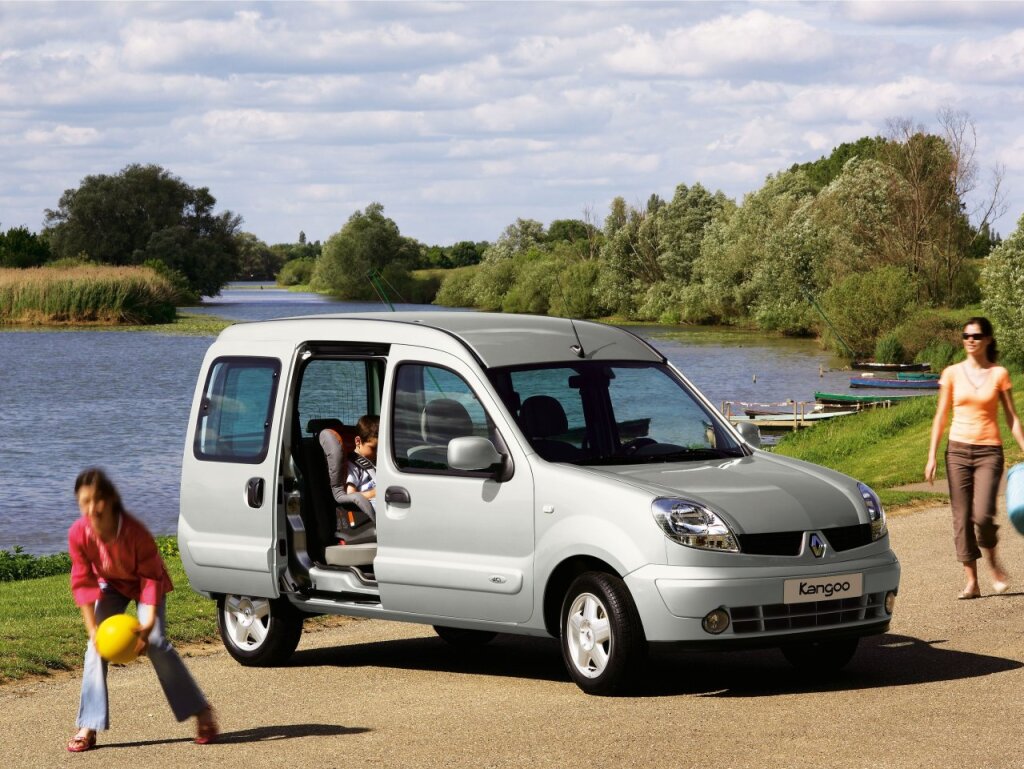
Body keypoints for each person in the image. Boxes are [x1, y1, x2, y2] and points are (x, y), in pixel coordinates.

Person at [66, 468, 218, 752]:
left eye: (97, 500)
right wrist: (93, 629)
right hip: (110, 585)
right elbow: (83, 584)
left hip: (146, 583)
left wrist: (146, 625)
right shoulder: (79, 534)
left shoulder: (135, 532)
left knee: (157, 643)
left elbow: (150, 580)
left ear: (111, 500)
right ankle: (88, 724)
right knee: (94, 647)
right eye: (84, 502)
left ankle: (202, 711)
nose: (92, 508)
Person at [925, 317, 1024, 600]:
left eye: (976, 336)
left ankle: (993, 562)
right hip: (957, 450)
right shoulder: (952, 373)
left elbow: (1012, 419)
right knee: (961, 516)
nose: (970, 340)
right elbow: (941, 416)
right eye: (966, 335)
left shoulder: (999, 374)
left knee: (982, 514)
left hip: (989, 451)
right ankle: (972, 581)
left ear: (988, 340)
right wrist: (932, 455)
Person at [345, 414, 379, 500]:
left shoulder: (378, 461)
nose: (378, 453)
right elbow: (351, 494)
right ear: (358, 441)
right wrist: (374, 493)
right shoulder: (353, 466)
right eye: (373, 448)